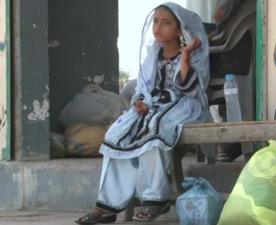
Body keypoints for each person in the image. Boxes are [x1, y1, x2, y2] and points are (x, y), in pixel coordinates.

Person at [76, 2, 210, 224]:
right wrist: (139, 103)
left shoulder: (190, 55)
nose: (158, 27)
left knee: (154, 131)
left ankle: (155, 199)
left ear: (179, 29)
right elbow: (142, 89)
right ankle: (108, 205)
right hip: (152, 107)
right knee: (116, 135)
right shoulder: (152, 56)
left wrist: (185, 56)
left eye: (166, 23)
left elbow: (190, 89)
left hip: (182, 105)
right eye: (156, 21)